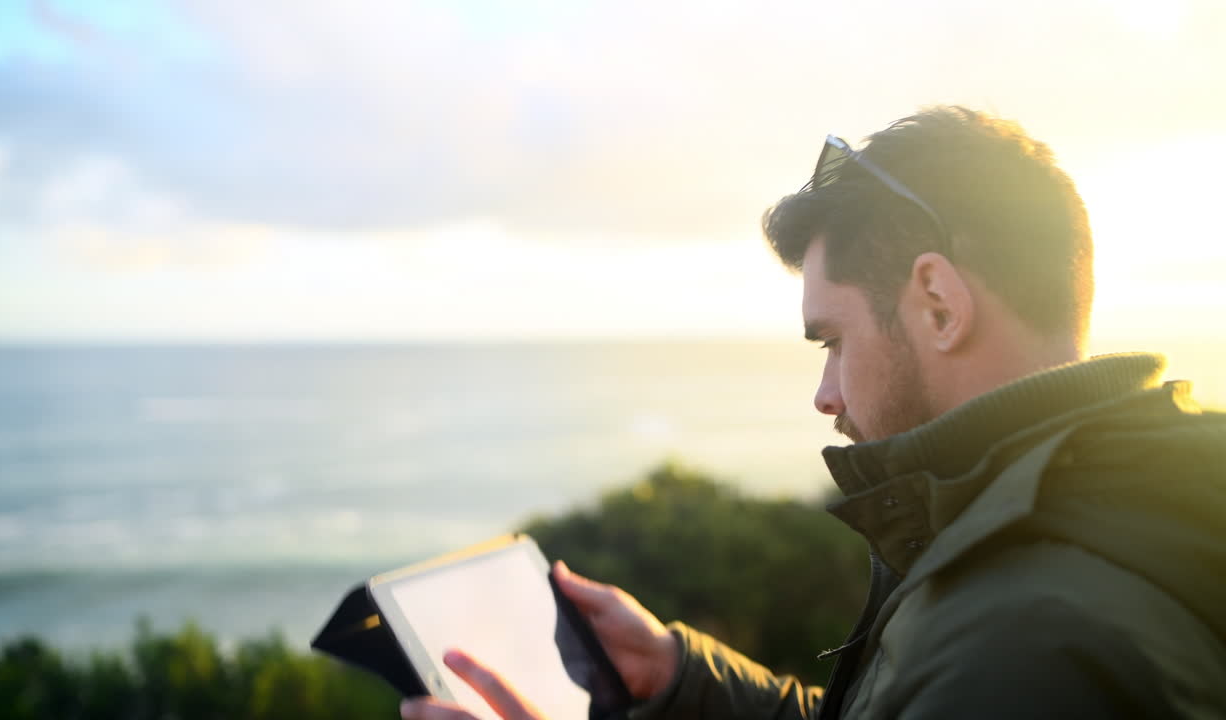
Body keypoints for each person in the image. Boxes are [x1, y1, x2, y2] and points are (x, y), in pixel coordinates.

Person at [400, 106, 1226, 719]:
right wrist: (683, 681)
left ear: (938, 304)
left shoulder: (1022, 637)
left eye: (830, 340)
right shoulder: (1111, 498)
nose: (825, 394)